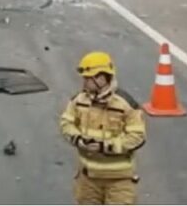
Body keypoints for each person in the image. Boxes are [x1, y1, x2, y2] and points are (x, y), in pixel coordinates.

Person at [60, 51, 147, 205]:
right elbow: (66, 123)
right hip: (88, 180)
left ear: (102, 78)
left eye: (88, 78)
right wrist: (77, 138)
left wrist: (105, 146)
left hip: (119, 181)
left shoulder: (125, 104)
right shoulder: (79, 100)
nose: (84, 82)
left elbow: (137, 137)